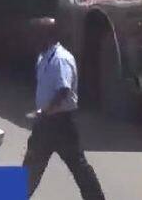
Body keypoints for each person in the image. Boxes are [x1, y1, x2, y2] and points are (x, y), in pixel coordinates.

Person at [22, 17, 105, 200]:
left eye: (37, 35)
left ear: (48, 36)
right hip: (46, 123)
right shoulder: (43, 56)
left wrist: (46, 111)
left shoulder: (60, 59)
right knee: (32, 163)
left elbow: (63, 90)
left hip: (60, 123)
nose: (33, 39)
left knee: (78, 166)